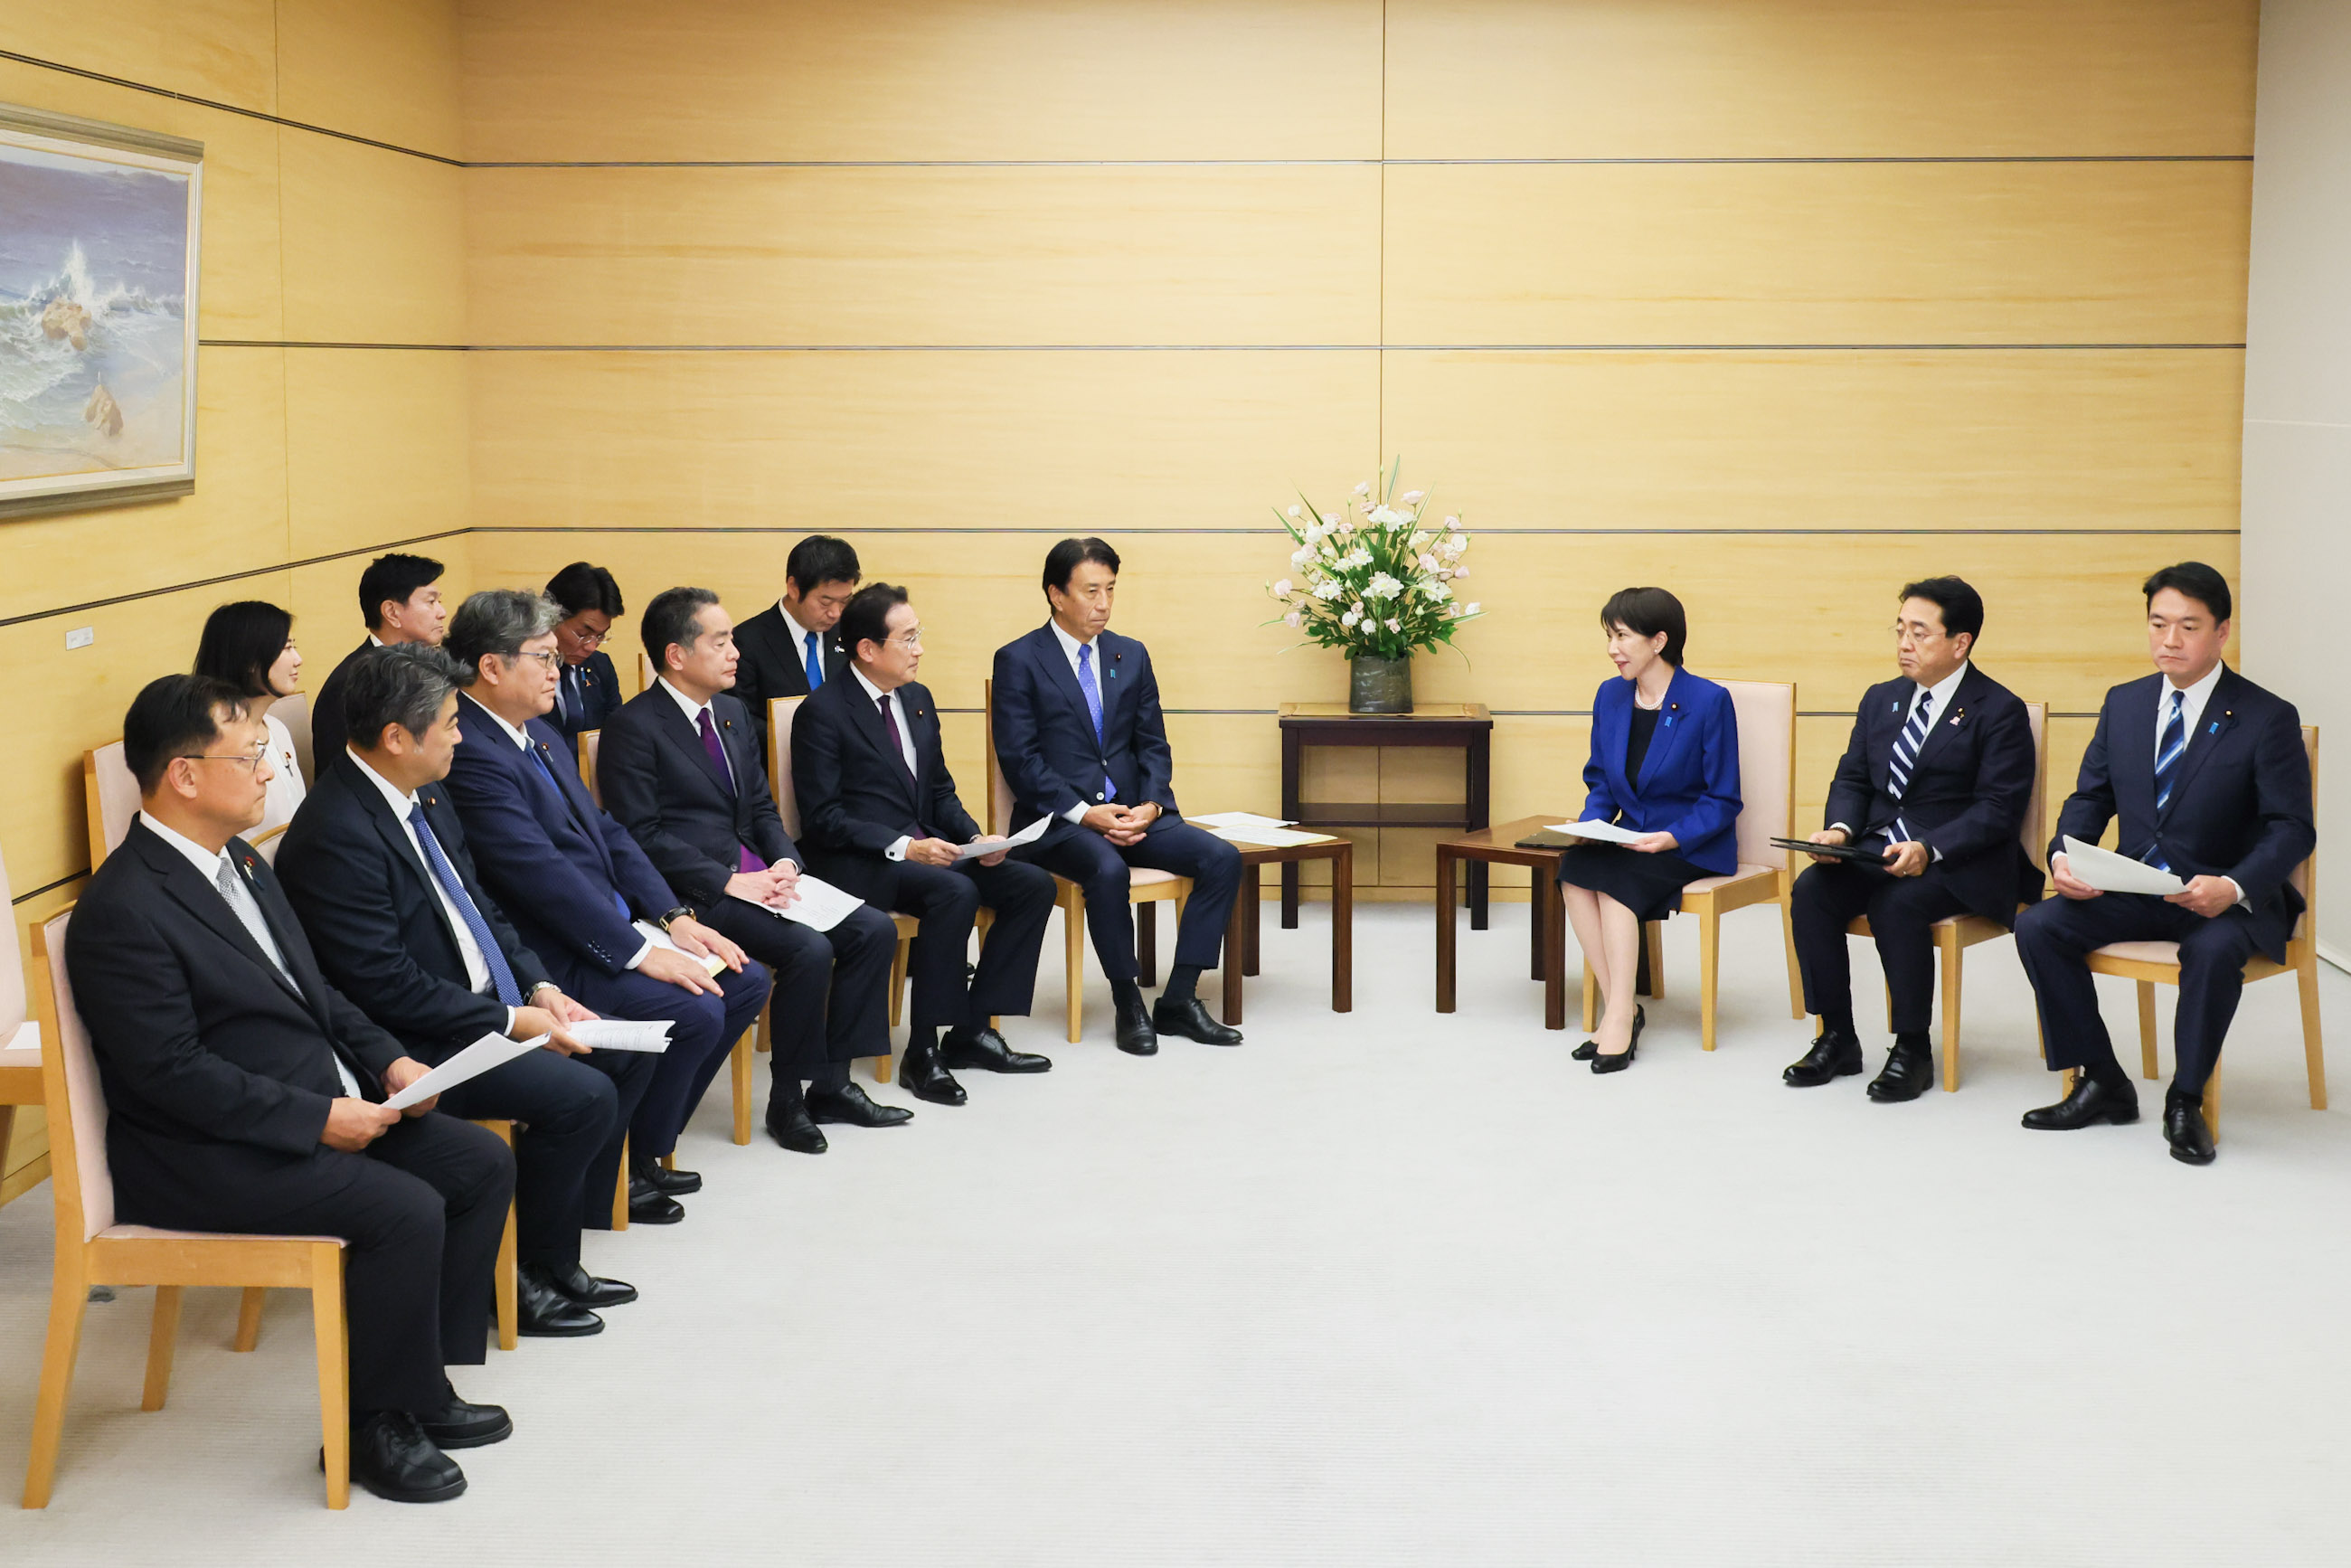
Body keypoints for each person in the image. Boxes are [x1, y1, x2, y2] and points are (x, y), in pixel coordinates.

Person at [64, 675, 515, 1504]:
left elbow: (320, 991)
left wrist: (389, 1063)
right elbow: (169, 1074)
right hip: (198, 1150)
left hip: (306, 1099)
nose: (271, 770)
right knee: (402, 1209)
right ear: (185, 775)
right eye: (251, 755)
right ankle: (371, 1429)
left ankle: (418, 1386)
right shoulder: (124, 908)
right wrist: (317, 1119)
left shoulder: (240, 859)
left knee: (477, 1164)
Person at [277, 645, 652, 1336]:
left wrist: (537, 986)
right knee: (582, 1095)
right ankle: (515, 1277)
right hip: (420, 1039)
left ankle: (549, 1251)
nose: (459, 735)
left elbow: (479, 908)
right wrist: (510, 1021)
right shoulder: (337, 834)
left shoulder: (425, 791)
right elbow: (382, 983)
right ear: (396, 738)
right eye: (449, 723)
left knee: (621, 1050)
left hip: (480, 1003)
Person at [438, 590, 770, 1218]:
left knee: (745, 982)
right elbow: (539, 877)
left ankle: (640, 1150)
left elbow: (607, 832)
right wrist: (640, 952)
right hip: (550, 951)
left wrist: (673, 917)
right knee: (695, 1010)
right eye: (541, 657)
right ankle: (611, 1172)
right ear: (490, 667)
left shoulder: (538, 730)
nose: (558, 668)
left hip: (613, 920)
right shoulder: (471, 754)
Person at [2013, 562, 2313, 1166]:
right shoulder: (2124, 703)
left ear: (2222, 632)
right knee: (2039, 927)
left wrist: (2231, 886)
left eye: (2188, 627)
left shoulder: (2265, 716)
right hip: (2137, 885)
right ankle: (2101, 1080)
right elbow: (2090, 798)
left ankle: (2186, 1100)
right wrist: (2062, 855)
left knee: (2211, 951)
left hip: (2222, 899)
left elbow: (2292, 829)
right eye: (2158, 624)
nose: (2169, 640)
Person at [598, 587, 904, 1151]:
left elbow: (760, 808)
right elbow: (639, 837)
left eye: (733, 638)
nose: (736, 651)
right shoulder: (633, 728)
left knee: (873, 931)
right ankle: (786, 1100)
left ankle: (832, 1085)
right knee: (809, 951)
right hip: (697, 893)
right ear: (677, 655)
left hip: (765, 877)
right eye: (720, 641)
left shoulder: (733, 712)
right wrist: (729, 879)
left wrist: (787, 860)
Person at [792, 583, 1057, 1104]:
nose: (919, 649)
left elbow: (937, 791)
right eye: (908, 639)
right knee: (953, 892)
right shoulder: (822, 712)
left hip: (926, 854)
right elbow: (824, 819)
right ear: (867, 649)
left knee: (1030, 884)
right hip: (856, 861)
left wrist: (975, 837)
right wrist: (903, 847)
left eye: (919, 636)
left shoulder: (916, 699)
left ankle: (971, 1030)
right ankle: (923, 1049)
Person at [1783, 578, 2042, 1101]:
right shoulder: (1882, 700)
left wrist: (1929, 848)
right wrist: (1840, 831)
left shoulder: (1998, 710)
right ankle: (1836, 1035)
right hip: (1882, 846)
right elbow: (1853, 778)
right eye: (1900, 630)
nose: (1904, 643)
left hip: (1962, 859)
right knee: (1813, 890)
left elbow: (1997, 810)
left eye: (1920, 633)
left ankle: (1912, 1048)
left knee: (1896, 904)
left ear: (1960, 643)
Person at [991, 537, 1243, 1055]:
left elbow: (1152, 742)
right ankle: (1128, 1000)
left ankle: (1179, 998)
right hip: (1058, 822)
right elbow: (1022, 760)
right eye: (1091, 591)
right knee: (1105, 870)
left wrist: (1151, 807)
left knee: (1221, 858)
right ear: (1056, 595)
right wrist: (1088, 814)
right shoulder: (1019, 659)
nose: (1103, 603)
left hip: (1135, 811)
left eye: (1110, 590)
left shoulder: (1131, 654)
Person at [1557, 587, 1741, 1073]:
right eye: (1609, 636)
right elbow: (1601, 778)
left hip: (1689, 841)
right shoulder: (1611, 694)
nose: (1612, 648)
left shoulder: (1707, 701)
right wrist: (1592, 822)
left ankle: (1617, 1015)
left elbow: (1723, 799)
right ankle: (1625, 1004)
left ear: (1659, 641)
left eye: (1621, 636)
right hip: (1631, 835)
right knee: (1575, 870)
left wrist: (1672, 837)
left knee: (1619, 881)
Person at [312, 552, 447, 762]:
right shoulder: (350, 684)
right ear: (392, 613)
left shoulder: (427, 668)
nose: (442, 612)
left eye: (439, 601)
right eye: (431, 602)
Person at [732, 534, 859, 755]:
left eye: (844, 601)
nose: (835, 613)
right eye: (825, 602)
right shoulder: (747, 641)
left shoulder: (850, 634)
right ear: (794, 587)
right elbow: (738, 721)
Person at [194, 599, 307, 833]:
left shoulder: (277, 729)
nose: (298, 659)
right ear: (250, 662)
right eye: (286, 648)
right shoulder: (214, 744)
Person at [544, 561, 627, 757]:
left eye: (600, 636)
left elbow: (616, 733)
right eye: (582, 633)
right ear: (551, 615)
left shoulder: (600, 666)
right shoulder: (524, 670)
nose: (591, 646)